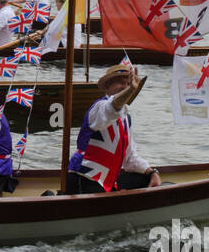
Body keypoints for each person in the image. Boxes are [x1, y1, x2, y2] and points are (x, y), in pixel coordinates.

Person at [65, 64, 159, 195]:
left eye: (128, 84)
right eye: (120, 83)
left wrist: (152, 172)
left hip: (107, 181)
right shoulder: (99, 107)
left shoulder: (126, 119)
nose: (125, 87)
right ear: (107, 86)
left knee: (145, 179)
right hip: (85, 177)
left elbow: (130, 158)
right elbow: (112, 108)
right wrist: (131, 89)